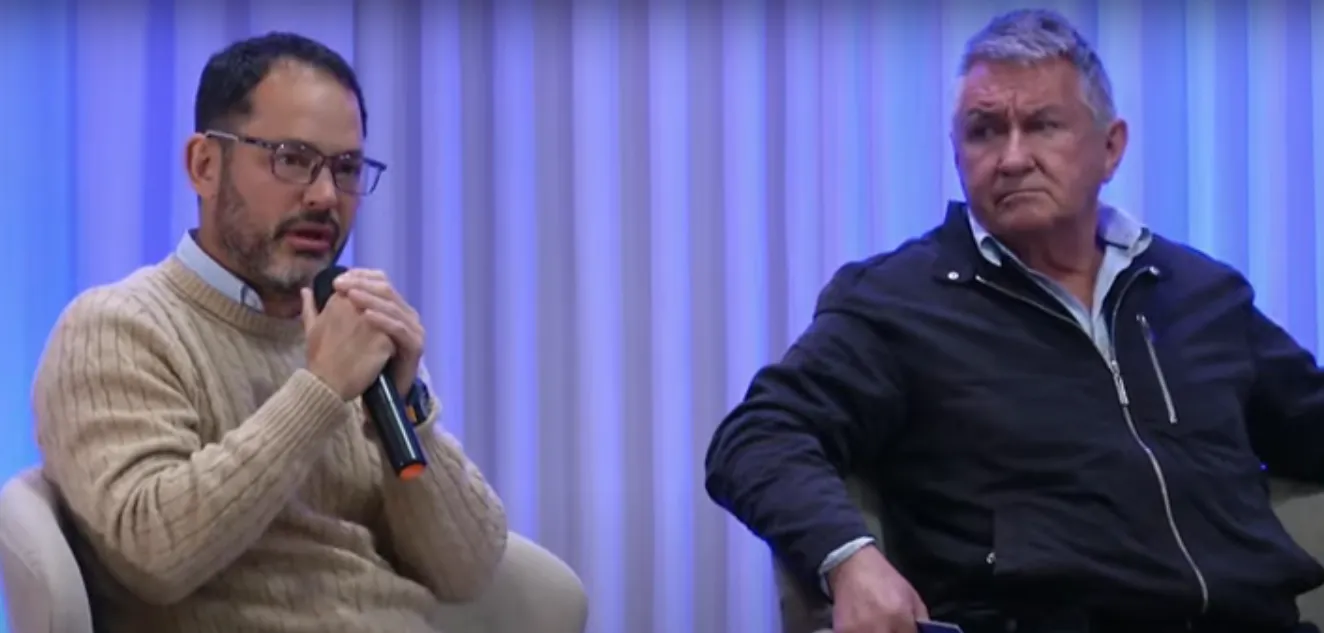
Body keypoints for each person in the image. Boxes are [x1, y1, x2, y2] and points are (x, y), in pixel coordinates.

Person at [706, 9, 1324, 633]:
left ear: (1110, 148)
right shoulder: (899, 302)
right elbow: (757, 436)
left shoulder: (1200, 292)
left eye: (1043, 126)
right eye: (984, 132)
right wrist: (848, 560)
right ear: (956, 153)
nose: (1012, 158)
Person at [31, 32, 508, 633]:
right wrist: (320, 390)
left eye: (346, 168)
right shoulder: (117, 327)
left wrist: (409, 408)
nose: (325, 196)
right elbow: (154, 556)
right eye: (292, 159)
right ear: (205, 165)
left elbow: (468, 572)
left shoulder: (354, 329)